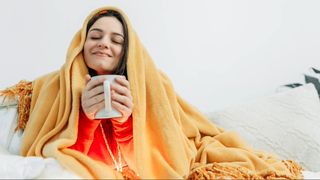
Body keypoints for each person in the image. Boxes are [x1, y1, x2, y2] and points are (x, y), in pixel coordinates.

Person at [0, 6, 303, 179]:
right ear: (81, 43)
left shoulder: (154, 84)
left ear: (127, 51)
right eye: (95, 35)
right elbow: (52, 153)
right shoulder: (54, 87)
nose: (104, 43)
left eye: (116, 40)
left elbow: (169, 158)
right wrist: (85, 119)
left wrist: (125, 124)